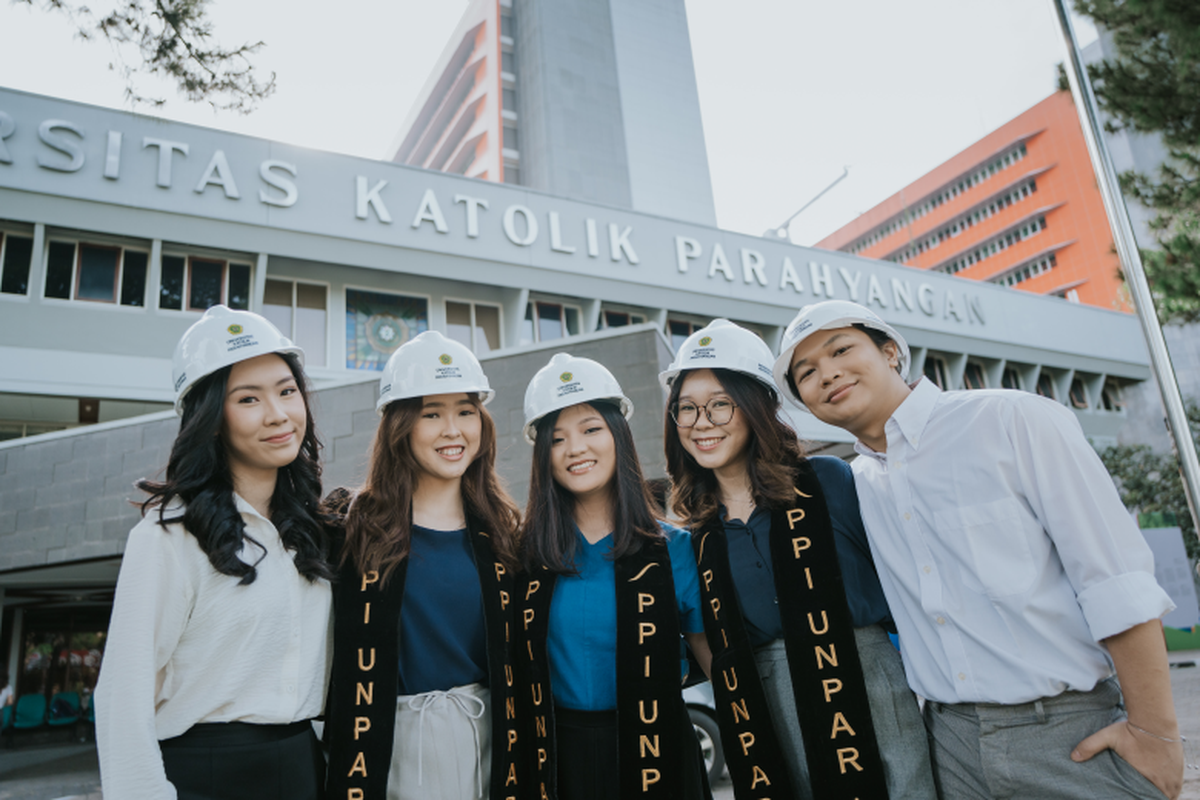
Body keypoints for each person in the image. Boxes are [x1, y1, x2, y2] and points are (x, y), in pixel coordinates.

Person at [774, 299, 1183, 800]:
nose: (828, 374)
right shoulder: (854, 487)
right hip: (948, 745)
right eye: (807, 373)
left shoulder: (1011, 420)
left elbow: (1115, 581)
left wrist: (1156, 733)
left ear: (890, 353)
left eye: (841, 349)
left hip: (1070, 729)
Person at [660, 319, 935, 800]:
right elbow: (703, 635)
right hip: (760, 701)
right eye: (687, 409)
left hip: (863, 682)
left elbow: (902, 584)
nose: (702, 422)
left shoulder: (828, 482)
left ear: (755, 406)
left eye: (721, 404)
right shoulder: (696, 534)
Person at [95, 305, 333, 800]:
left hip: (301, 766)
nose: (278, 414)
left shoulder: (312, 531)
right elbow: (123, 693)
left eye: (287, 391)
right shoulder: (167, 538)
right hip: (204, 775)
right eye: (248, 398)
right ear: (209, 418)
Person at [320, 330, 522, 800]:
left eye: (465, 412)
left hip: (491, 737)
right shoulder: (351, 526)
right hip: (388, 745)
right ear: (400, 426)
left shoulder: (504, 531)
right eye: (432, 413)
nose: (453, 430)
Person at [517, 353, 714, 800]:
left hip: (657, 749)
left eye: (590, 429)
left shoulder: (674, 550)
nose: (576, 449)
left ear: (618, 435)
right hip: (554, 756)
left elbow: (716, 664)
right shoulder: (524, 557)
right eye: (557, 438)